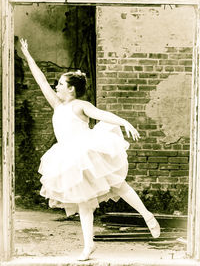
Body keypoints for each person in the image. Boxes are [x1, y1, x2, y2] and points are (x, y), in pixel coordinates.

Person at [20, 38, 160, 261]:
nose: (57, 86)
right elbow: (42, 82)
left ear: (72, 89)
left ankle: (147, 215)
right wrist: (28, 57)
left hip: (86, 150)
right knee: (84, 203)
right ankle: (88, 246)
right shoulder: (57, 104)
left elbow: (103, 115)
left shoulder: (80, 105)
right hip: (67, 156)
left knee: (118, 184)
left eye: (61, 84)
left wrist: (124, 122)